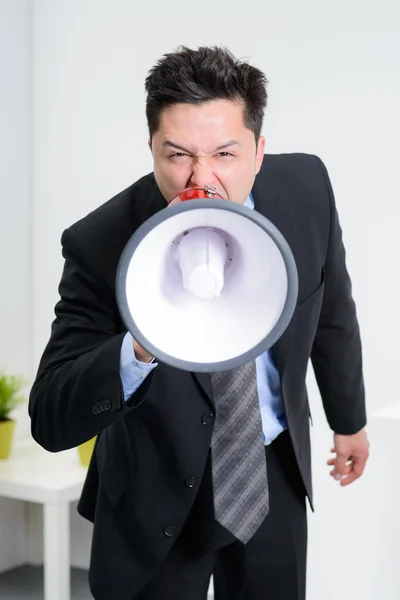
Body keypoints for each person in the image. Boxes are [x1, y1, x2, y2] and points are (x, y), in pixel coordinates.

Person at [28, 45, 369, 600]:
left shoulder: (307, 189)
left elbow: (331, 310)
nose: (201, 178)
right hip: (154, 496)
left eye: (226, 154)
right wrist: (139, 345)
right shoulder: (98, 243)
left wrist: (348, 420)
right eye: (178, 154)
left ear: (259, 150)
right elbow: (49, 417)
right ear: (152, 149)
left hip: (271, 474)